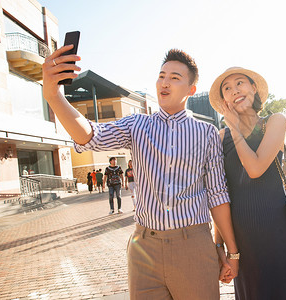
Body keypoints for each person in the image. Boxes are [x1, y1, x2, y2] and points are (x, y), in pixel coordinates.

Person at [42, 47, 239, 299]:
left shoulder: (207, 133)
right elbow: (91, 135)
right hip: (145, 249)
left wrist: (232, 253)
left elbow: (217, 195)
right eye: (161, 75)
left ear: (191, 89)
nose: (164, 83)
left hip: (193, 246)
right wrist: (53, 95)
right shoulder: (137, 125)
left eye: (175, 78)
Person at [209, 67, 286, 300]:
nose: (235, 91)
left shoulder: (274, 122)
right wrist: (220, 247)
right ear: (224, 100)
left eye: (240, 83)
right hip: (243, 244)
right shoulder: (221, 138)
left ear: (253, 87)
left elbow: (255, 168)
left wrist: (233, 128)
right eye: (227, 88)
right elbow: (220, 194)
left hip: (279, 234)